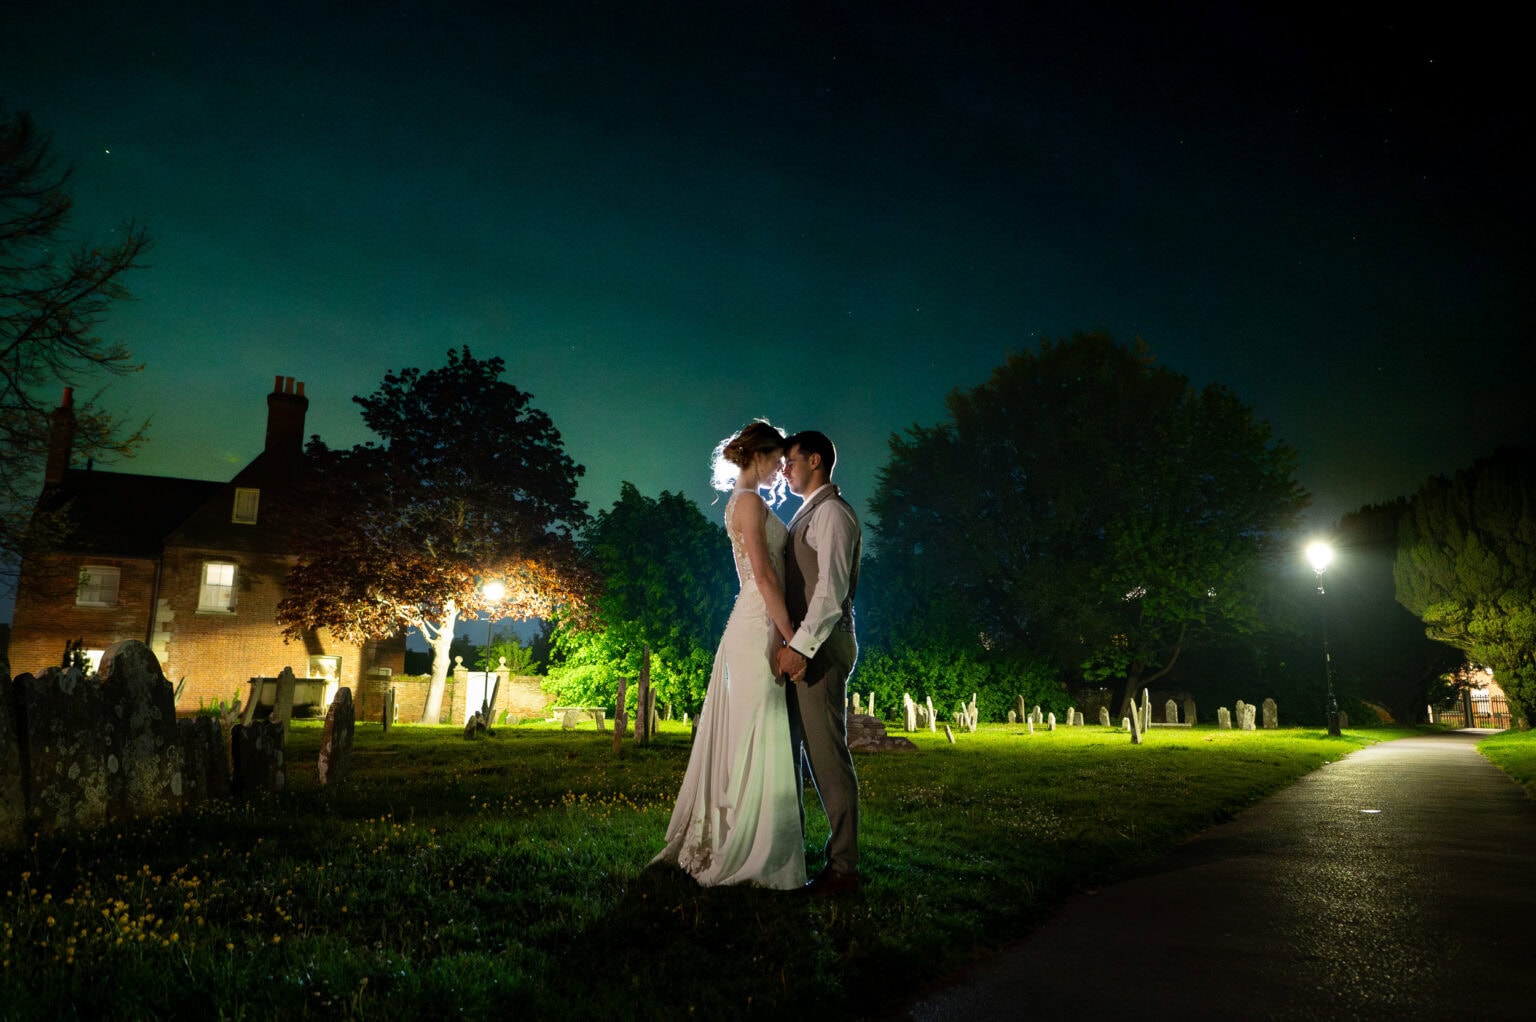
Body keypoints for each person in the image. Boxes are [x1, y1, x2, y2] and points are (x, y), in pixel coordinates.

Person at [652, 421, 806, 889]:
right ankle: (748, 844)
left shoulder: (741, 503)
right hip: (759, 621)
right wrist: (790, 634)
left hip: (750, 619)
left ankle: (738, 832)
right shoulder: (750, 503)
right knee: (755, 727)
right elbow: (763, 575)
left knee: (751, 728)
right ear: (759, 454)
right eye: (778, 460)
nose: (782, 469)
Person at [776, 429, 863, 896]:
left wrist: (800, 648)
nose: (785, 469)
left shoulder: (832, 514)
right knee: (810, 753)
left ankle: (844, 868)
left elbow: (830, 593)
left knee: (828, 757)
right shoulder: (811, 511)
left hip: (824, 648)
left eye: (791, 461)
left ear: (814, 460)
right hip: (812, 646)